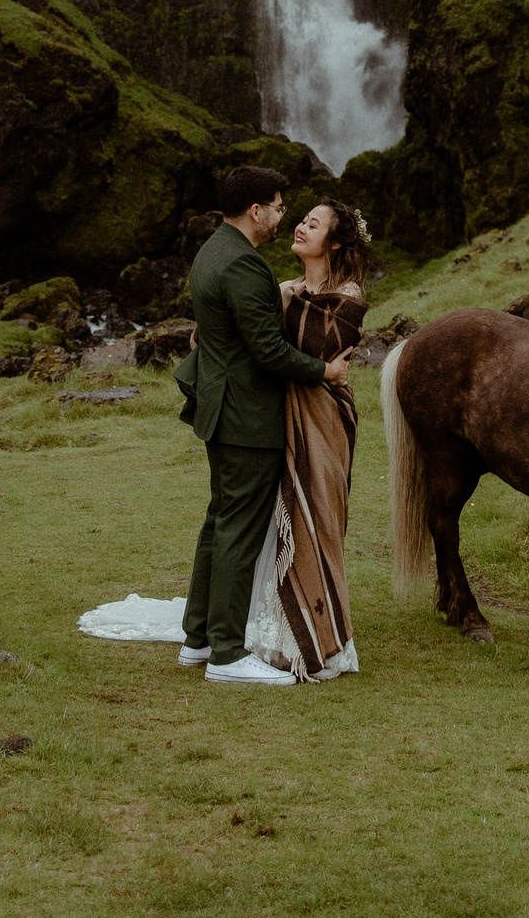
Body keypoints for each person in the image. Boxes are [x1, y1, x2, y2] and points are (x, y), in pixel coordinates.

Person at [176, 166, 351, 684]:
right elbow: (269, 351)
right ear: (256, 211)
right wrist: (325, 369)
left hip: (219, 409)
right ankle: (227, 655)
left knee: (218, 522)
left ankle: (199, 638)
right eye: (277, 207)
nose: (282, 216)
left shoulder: (214, 251)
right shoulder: (244, 267)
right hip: (246, 417)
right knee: (238, 530)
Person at [245, 197, 369, 680]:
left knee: (322, 519)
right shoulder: (284, 290)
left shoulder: (349, 295)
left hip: (327, 422)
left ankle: (327, 639)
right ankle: (279, 631)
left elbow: (316, 343)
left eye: (312, 225)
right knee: (282, 521)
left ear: (334, 243)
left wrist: (268, 319)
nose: (299, 227)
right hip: (285, 418)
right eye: (300, 220)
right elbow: (265, 343)